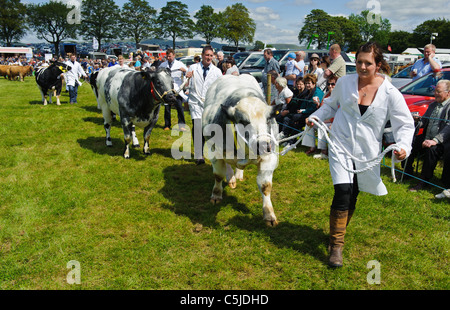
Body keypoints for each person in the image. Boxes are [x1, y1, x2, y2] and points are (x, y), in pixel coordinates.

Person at [306, 42, 415, 268]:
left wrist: (404, 146)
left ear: (378, 65)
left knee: (354, 192)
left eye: (368, 63)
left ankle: (339, 232)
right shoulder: (345, 83)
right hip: (340, 145)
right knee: (343, 190)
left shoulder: (390, 93)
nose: (363, 67)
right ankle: (336, 246)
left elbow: (405, 124)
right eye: (359, 62)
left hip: (367, 152)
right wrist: (316, 116)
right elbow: (330, 106)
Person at [405, 79, 450, 192]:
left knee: (432, 150)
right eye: (435, 91)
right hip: (427, 137)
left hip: (443, 142)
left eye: (438, 91)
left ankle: (424, 181)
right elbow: (424, 121)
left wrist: (435, 140)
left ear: (448, 93)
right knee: (410, 143)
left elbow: (449, 127)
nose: (435, 94)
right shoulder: (433, 105)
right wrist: (417, 121)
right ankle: (407, 172)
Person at [186, 46, 222, 165]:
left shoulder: (217, 72)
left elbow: (219, 89)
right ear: (202, 55)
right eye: (207, 55)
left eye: (211, 56)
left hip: (209, 104)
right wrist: (187, 78)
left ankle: (212, 153)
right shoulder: (193, 68)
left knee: (208, 129)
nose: (209, 58)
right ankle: (198, 155)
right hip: (195, 102)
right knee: (197, 126)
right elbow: (186, 86)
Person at [302, 75, 338, 159]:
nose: (330, 86)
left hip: (333, 122)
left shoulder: (339, 96)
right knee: (309, 123)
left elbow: (340, 112)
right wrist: (318, 104)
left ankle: (324, 151)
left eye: (333, 84)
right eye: (328, 84)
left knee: (322, 127)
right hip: (323, 120)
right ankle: (312, 147)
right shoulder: (326, 95)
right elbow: (322, 109)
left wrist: (332, 122)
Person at [285, 74, 324, 143]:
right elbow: (304, 104)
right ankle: (288, 138)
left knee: (296, 118)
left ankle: (291, 140)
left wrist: (303, 111)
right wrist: (301, 110)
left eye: (309, 83)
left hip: (314, 114)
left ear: (314, 83)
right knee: (292, 118)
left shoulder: (318, 92)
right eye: (306, 83)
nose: (307, 85)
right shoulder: (308, 91)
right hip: (306, 112)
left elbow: (314, 107)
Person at [159, 49, 188, 132]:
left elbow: (187, 74)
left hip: (177, 88)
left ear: (174, 55)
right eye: (167, 56)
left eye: (170, 56)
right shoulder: (163, 65)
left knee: (179, 107)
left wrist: (184, 71)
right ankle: (167, 125)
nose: (168, 58)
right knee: (167, 108)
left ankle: (181, 125)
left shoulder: (180, 64)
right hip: (167, 89)